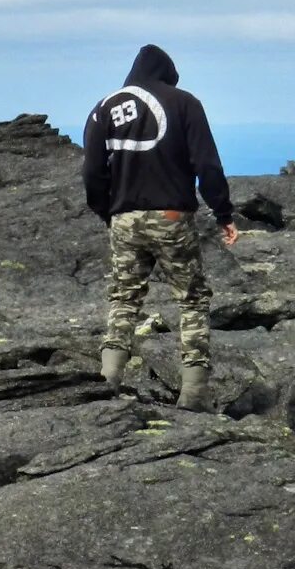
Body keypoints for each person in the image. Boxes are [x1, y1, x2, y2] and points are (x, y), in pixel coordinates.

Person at [82, 45, 238, 410]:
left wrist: (109, 213)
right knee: (192, 299)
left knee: (124, 298)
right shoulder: (184, 103)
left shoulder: (103, 107)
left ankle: (108, 382)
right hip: (171, 218)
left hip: (124, 220)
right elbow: (207, 165)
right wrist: (224, 213)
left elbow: (92, 171)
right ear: (167, 74)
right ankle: (194, 394)